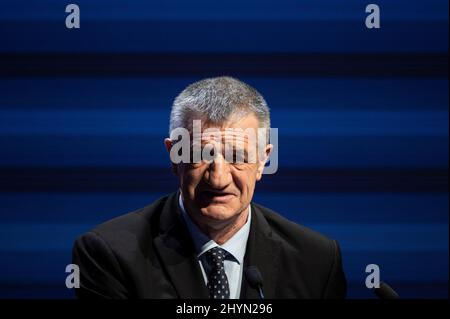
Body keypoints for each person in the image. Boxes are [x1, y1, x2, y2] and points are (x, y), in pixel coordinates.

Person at [72, 76, 347, 299]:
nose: (218, 179)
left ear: (263, 160)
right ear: (174, 156)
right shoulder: (110, 254)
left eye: (237, 156)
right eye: (201, 155)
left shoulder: (316, 261)